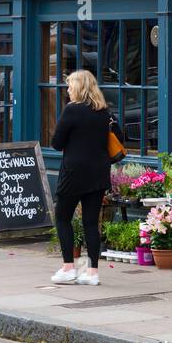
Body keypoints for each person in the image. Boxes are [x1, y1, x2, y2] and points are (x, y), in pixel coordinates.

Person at [49, 70, 121, 285]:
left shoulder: (72, 111)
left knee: (62, 217)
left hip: (73, 174)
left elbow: (56, 143)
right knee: (91, 223)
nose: (68, 90)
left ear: (79, 88)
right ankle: (92, 273)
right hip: (98, 173)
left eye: (71, 86)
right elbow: (120, 136)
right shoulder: (104, 112)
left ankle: (68, 267)